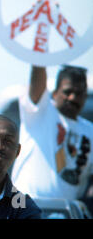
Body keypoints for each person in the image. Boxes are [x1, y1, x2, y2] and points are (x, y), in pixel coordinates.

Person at [11, 65, 93, 205]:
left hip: (66, 211)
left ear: (85, 97)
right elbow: (37, 79)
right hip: (25, 205)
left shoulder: (90, 131)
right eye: (67, 92)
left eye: (79, 94)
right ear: (54, 93)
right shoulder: (40, 112)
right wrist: (41, 55)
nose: (73, 98)